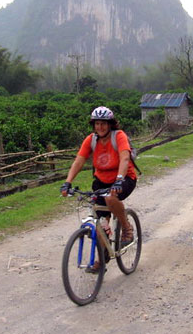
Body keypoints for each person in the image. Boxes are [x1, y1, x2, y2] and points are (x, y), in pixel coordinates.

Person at [61, 106, 137, 271]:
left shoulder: (119, 136)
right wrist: (67, 182)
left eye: (103, 123)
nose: (100, 127)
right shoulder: (91, 140)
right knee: (100, 222)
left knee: (111, 197)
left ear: (110, 124)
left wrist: (118, 180)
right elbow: (79, 161)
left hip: (124, 178)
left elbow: (124, 159)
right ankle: (102, 260)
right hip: (101, 181)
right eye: (97, 124)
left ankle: (126, 228)